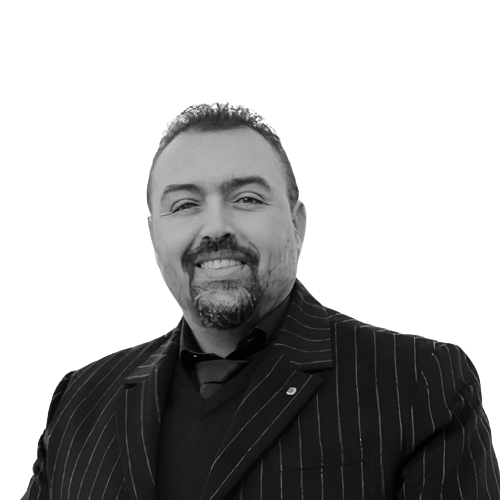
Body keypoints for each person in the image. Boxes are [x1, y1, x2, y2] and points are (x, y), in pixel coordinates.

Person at [23, 103, 499, 499]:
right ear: (154, 237)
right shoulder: (80, 399)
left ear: (298, 225)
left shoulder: (419, 379)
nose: (215, 227)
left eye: (247, 198)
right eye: (185, 204)